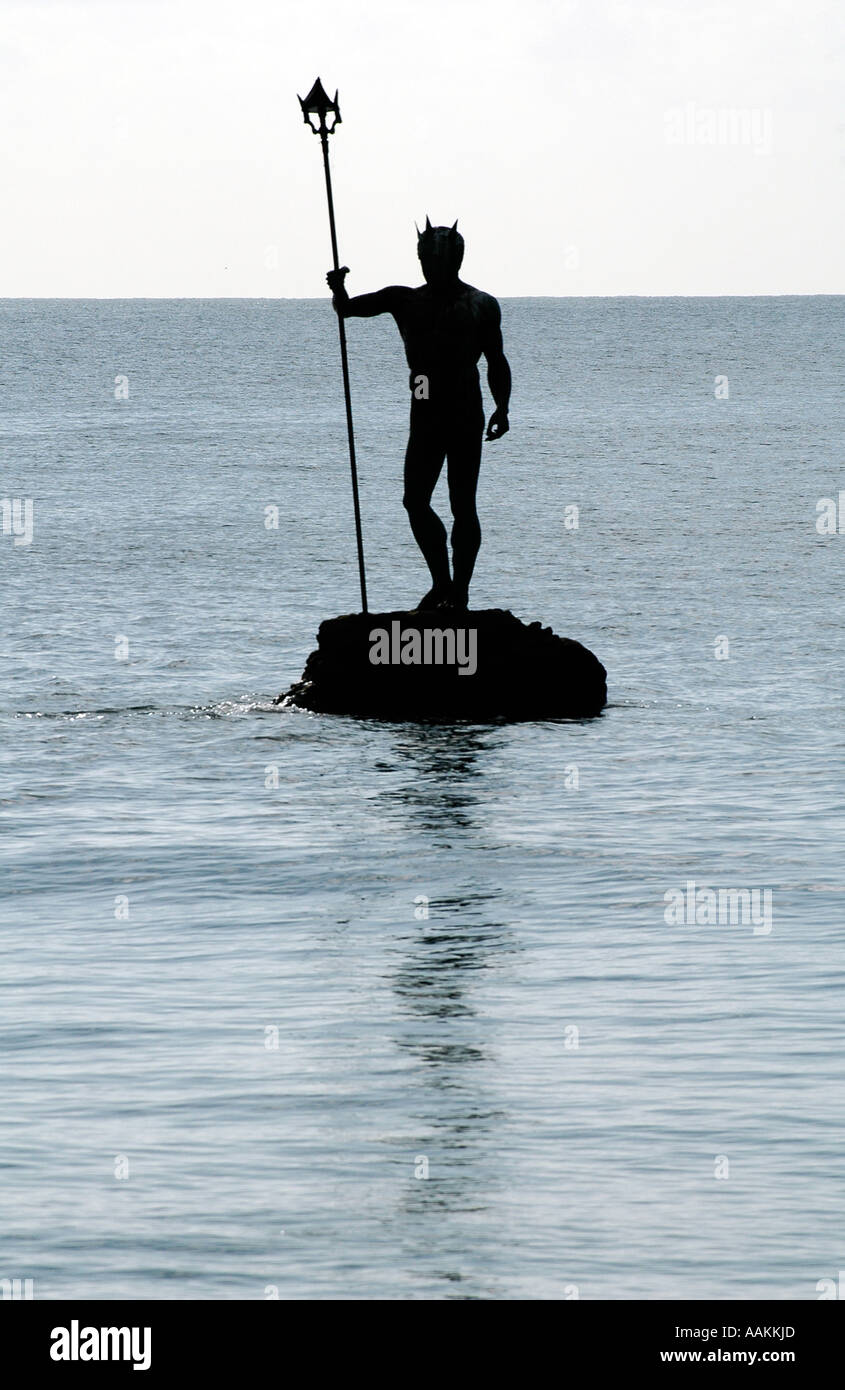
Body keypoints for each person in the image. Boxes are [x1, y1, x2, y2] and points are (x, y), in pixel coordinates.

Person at [327, 218, 511, 611]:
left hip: (464, 410)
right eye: (426, 258)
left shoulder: (481, 304)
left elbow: (496, 360)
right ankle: (442, 583)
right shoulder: (404, 300)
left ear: (457, 260)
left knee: (463, 505)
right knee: (415, 500)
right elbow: (346, 310)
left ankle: (458, 590)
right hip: (425, 409)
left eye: (437, 258)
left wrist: (503, 406)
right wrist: (338, 286)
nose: (431, 265)